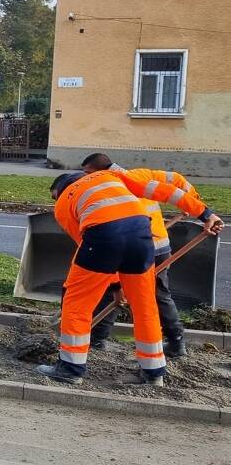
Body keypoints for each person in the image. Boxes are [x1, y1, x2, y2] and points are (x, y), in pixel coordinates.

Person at [39, 169, 222, 387]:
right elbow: (164, 191)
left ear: (60, 190)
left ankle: (70, 369)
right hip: (142, 235)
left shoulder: (63, 204)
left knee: (77, 303)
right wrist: (206, 214)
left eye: (53, 196)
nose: (54, 200)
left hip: (102, 237)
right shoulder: (110, 176)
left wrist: (115, 284)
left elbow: (88, 247)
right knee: (145, 306)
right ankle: (154, 373)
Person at [81, 153, 198, 357]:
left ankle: (98, 339)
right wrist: (191, 200)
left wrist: (191, 203)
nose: (86, 178)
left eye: (87, 174)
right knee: (156, 293)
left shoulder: (109, 188)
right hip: (158, 247)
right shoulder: (141, 174)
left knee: (115, 290)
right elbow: (176, 179)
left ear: (99, 171)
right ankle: (176, 342)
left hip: (134, 247)